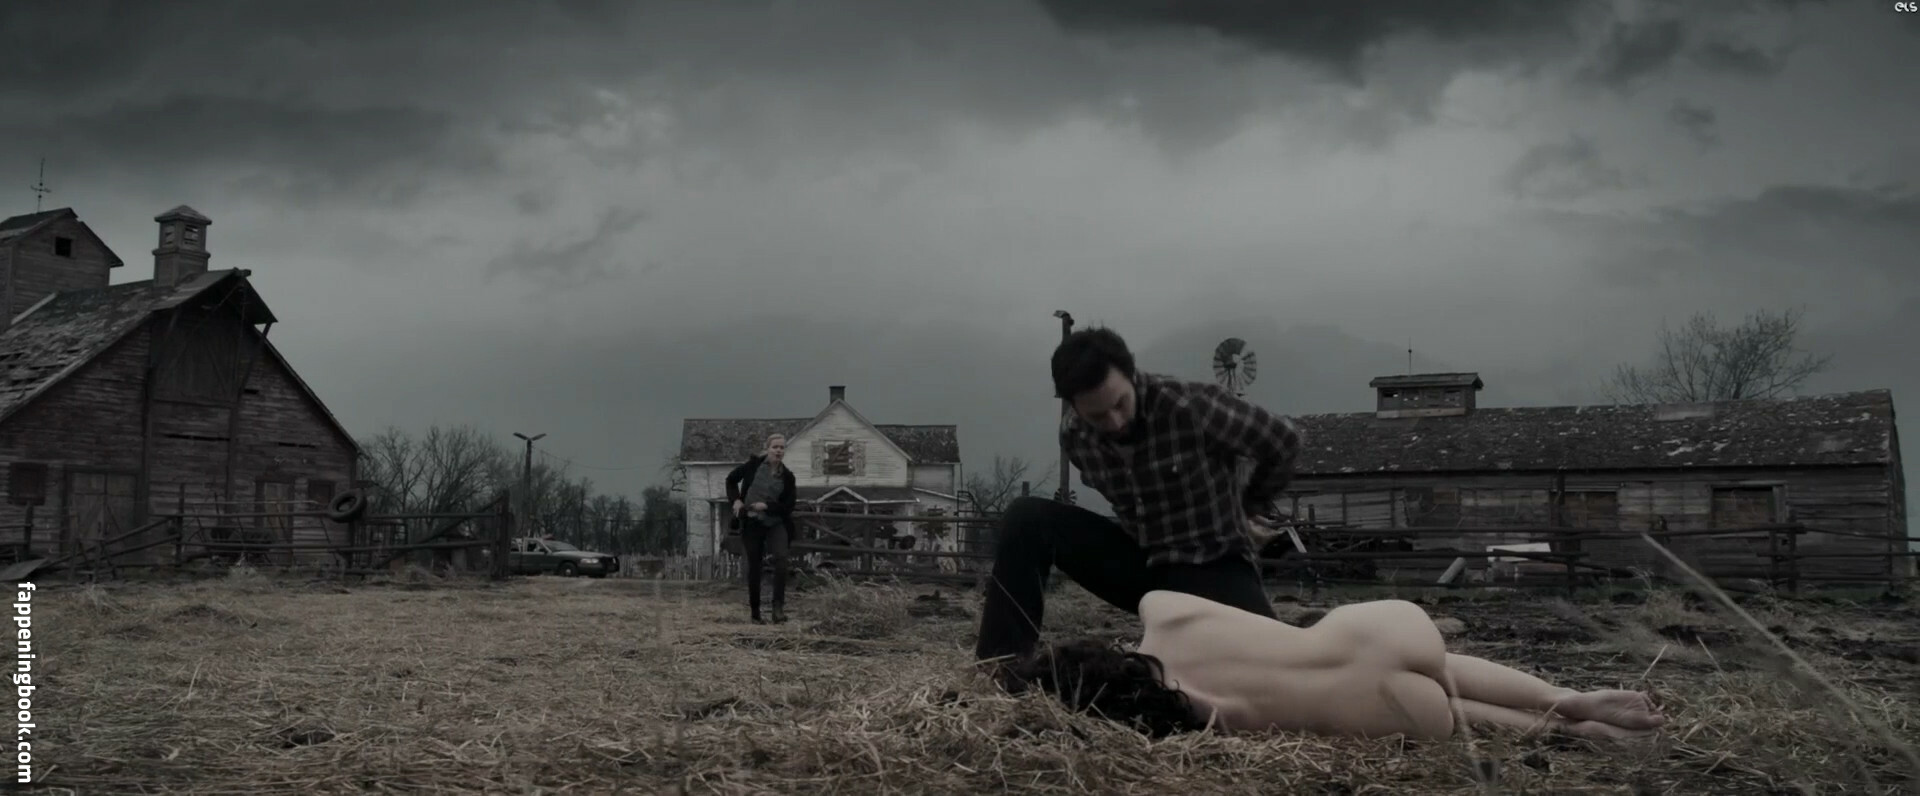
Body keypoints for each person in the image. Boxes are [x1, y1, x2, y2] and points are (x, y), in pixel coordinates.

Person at [974, 326, 1303, 662]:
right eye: (1098, 415)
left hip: (1213, 564)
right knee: (1027, 517)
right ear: (1073, 405)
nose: (1115, 421)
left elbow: (1285, 440)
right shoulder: (1075, 437)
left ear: (1131, 373)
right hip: (1144, 567)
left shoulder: (1191, 406)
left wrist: (1247, 505)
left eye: (1121, 403)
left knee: (1277, 662)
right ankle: (1002, 665)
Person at [1000, 591, 1668, 741]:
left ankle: (1568, 731)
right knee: (1442, 664)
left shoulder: (1182, 711)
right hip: (1382, 630)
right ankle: (1565, 695)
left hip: (1384, 711)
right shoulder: (1162, 609)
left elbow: (1240, 713)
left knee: (1440, 708)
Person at [725, 433, 798, 624]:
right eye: (775, 447)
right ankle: (755, 612)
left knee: (781, 559)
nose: (778, 451)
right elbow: (731, 480)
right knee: (754, 565)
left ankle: (778, 609)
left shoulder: (788, 477)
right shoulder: (753, 466)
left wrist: (767, 506)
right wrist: (736, 500)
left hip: (775, 522)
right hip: (752, 522)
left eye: (782, 447)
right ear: (767, 449)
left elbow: (788, 506)